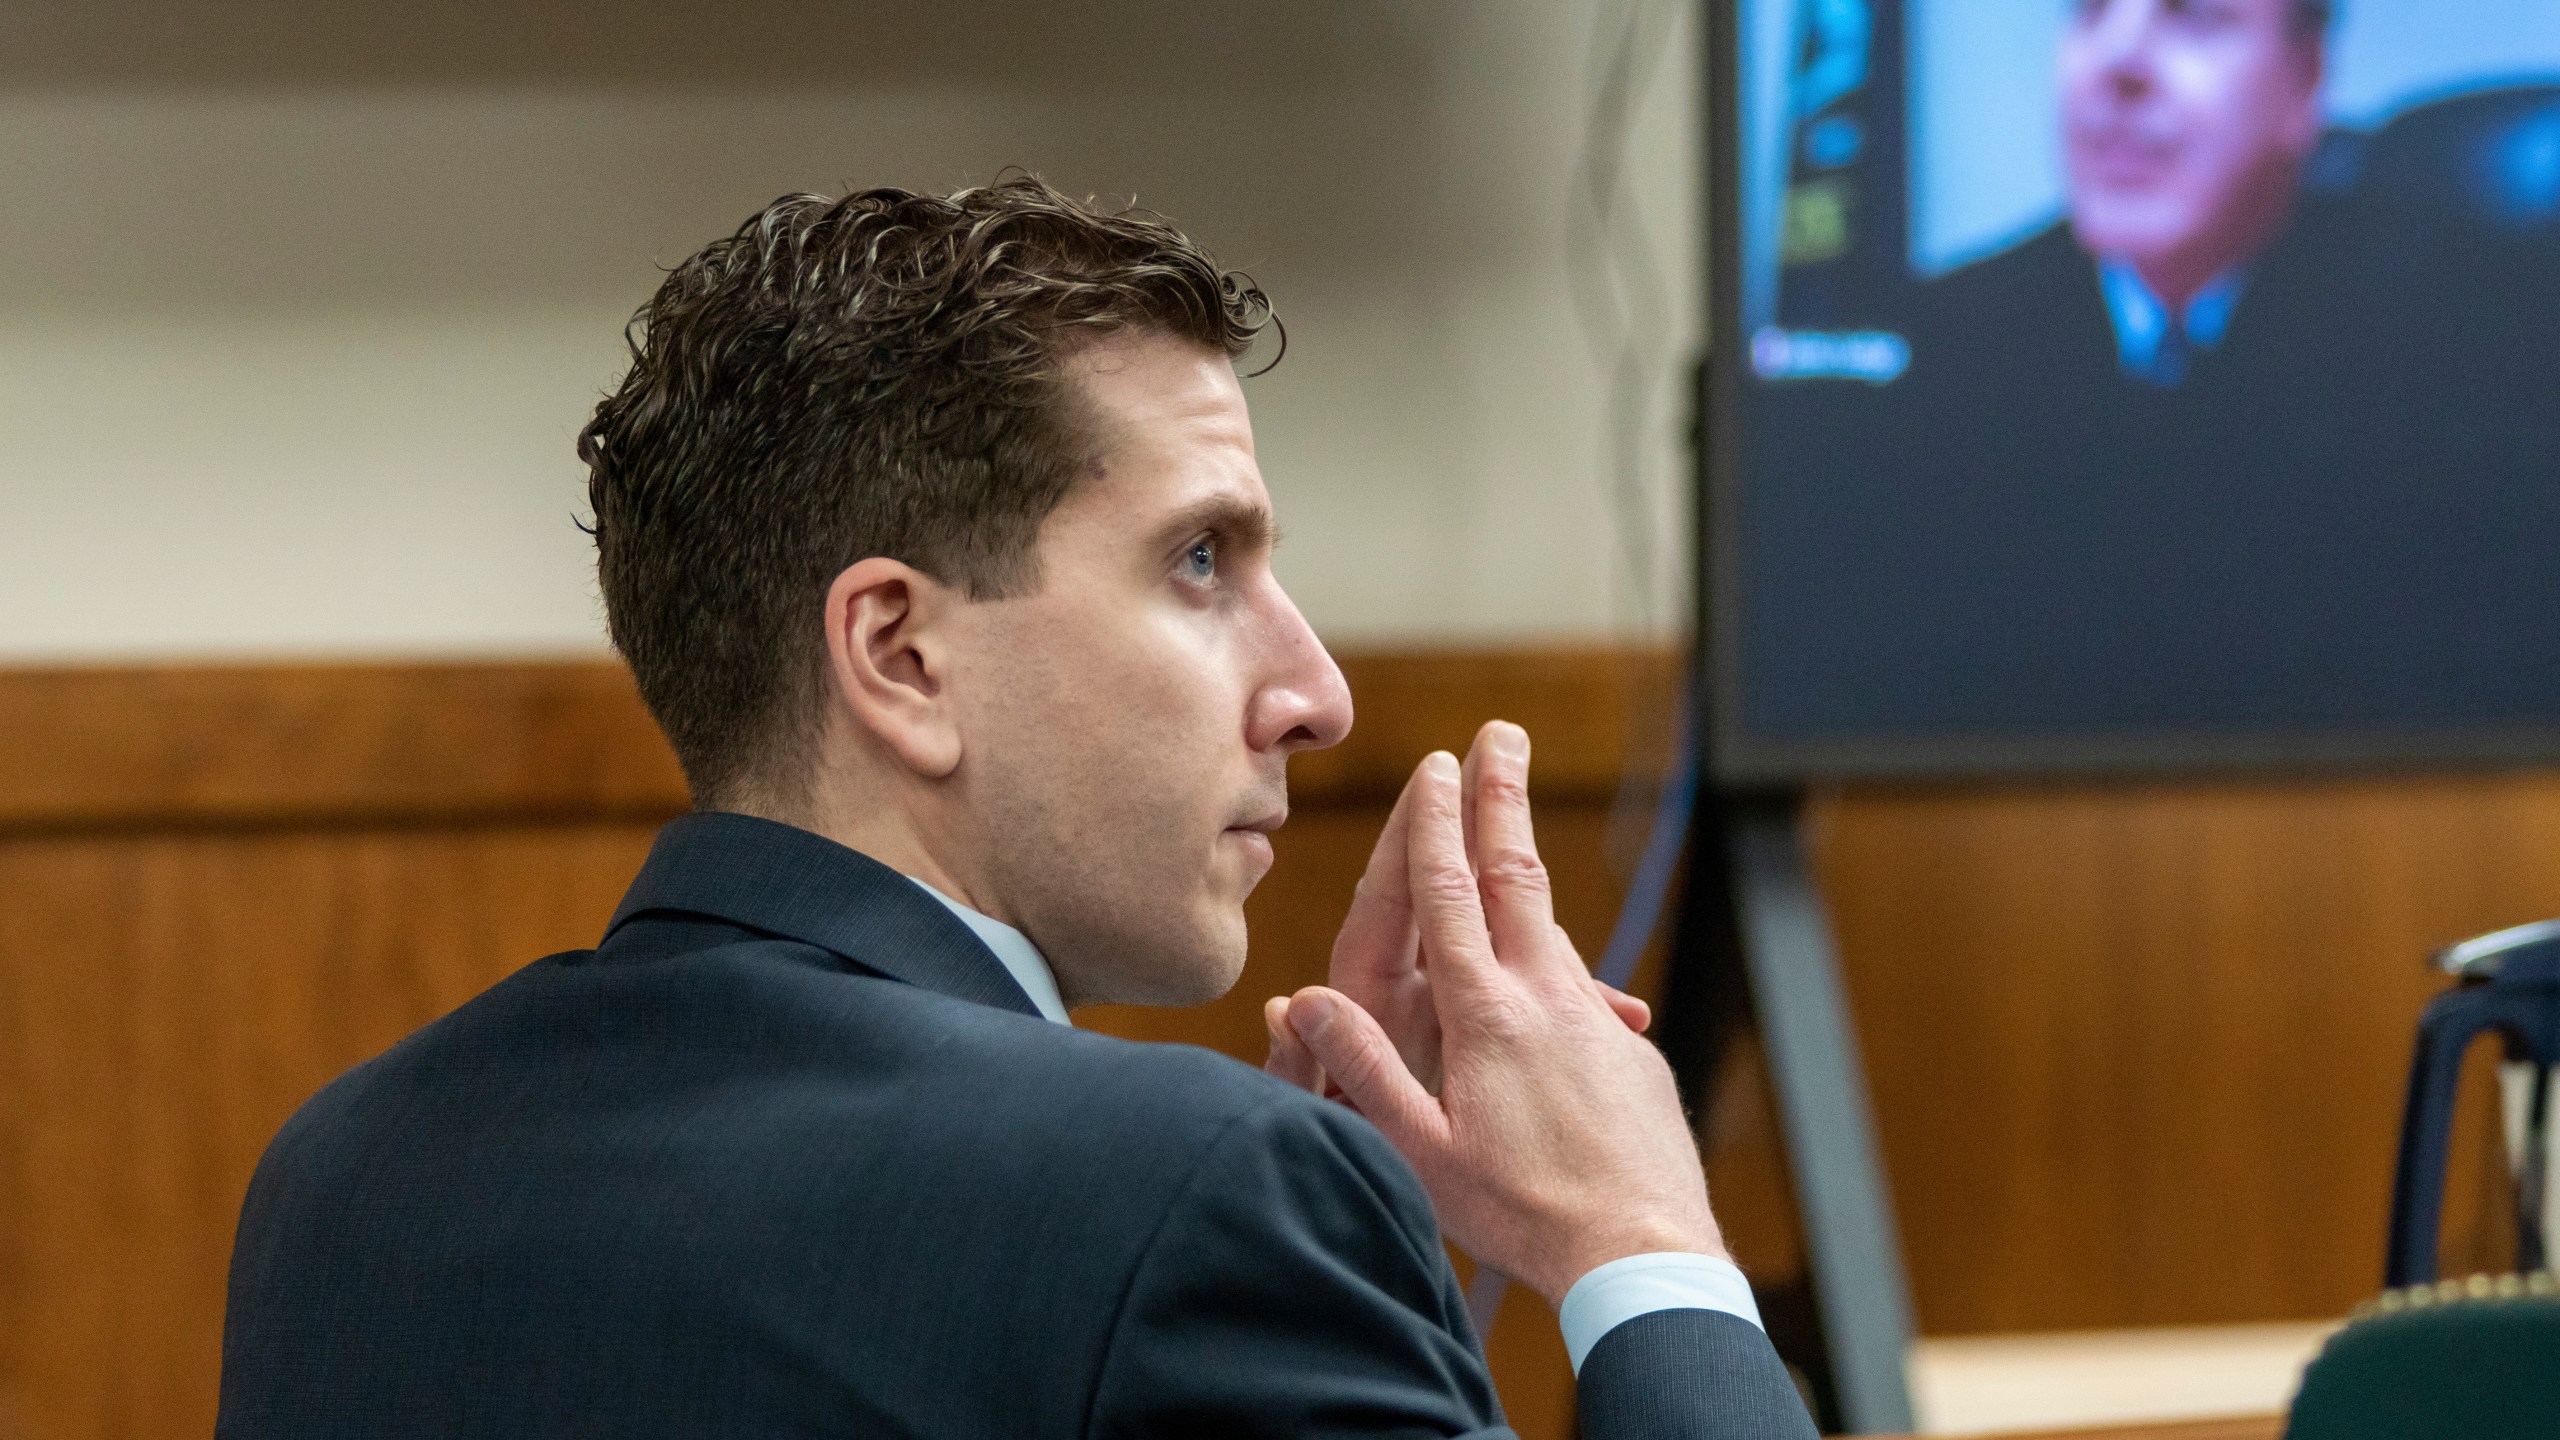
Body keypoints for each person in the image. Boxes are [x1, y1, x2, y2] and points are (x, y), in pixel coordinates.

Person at [215, 179, 1816, 1437]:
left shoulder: (338, 1178)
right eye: (1202, 560)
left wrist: (1333, 1277)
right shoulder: (1191, 1190)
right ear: (901, 654)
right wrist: (1641, 1247)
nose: (1316, 691)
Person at [1737, 0, 2560, 746]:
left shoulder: (2455, 348)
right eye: (2091, 13)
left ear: (2303, 81)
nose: (2117, 66)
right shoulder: (1936, 351)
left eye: (2193, 18)